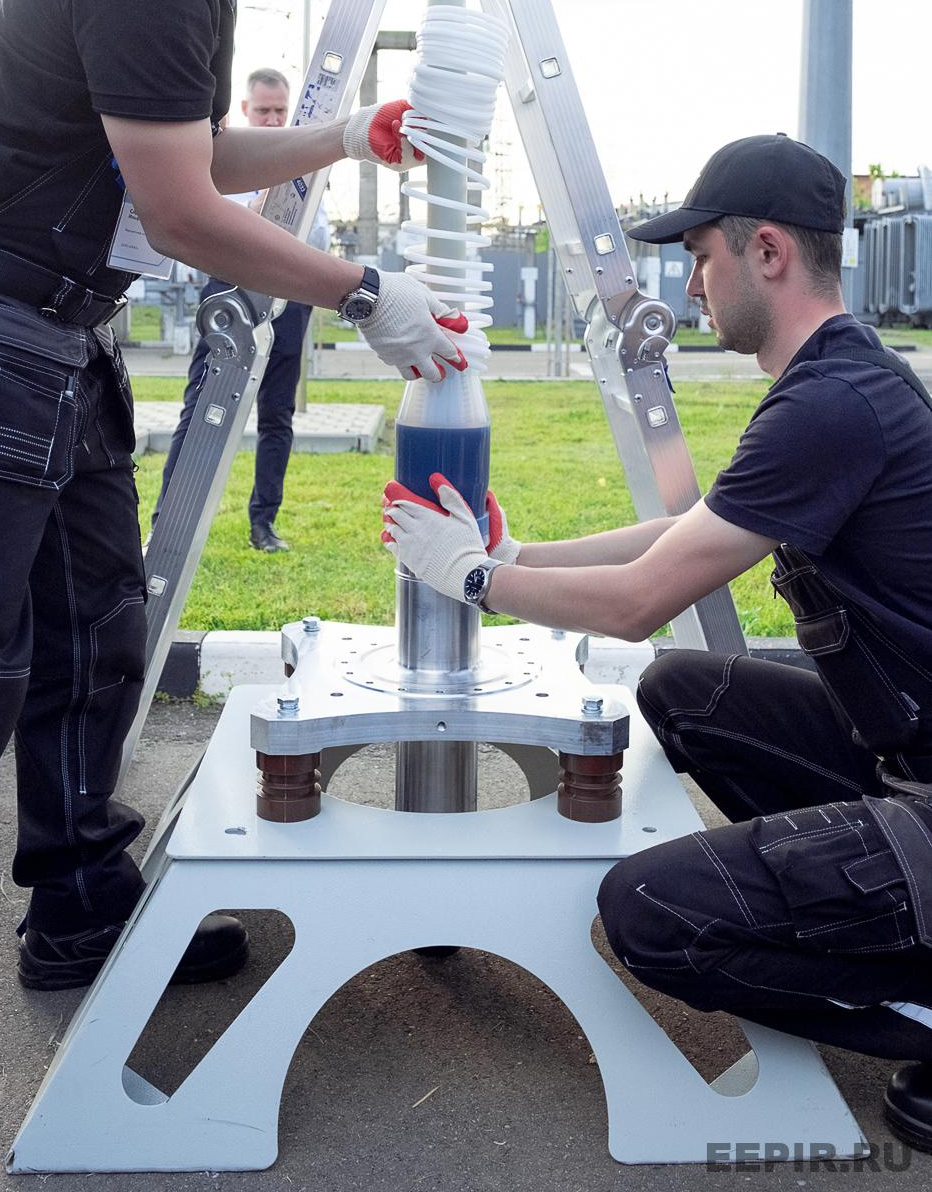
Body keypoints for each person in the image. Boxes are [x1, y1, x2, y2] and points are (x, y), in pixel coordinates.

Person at [0, 0, 470, 1130]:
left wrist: (344, 139)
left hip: (48, 342)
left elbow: (186, 154)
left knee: (93, 640)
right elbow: (186, 214)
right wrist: (360, 290)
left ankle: (79, 906)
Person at [383, 133, 932, 1154]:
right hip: (903, 755)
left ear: (765, 251)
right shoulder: (836, 378)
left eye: (700, 257)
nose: (689, 287)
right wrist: (517, 552)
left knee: (647, 913)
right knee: (686, 690)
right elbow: (687, 535)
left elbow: (642, 599)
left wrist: (473, 578)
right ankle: (865, 906)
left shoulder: (832, 403)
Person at [155, 67, 330, 552]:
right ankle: (166, 522)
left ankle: (263, 525)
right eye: (265, 111)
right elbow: (204, 229)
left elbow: (319, 237)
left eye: (280, 111)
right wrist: (256, 217)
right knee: (200, 409)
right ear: (247, 110)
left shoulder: (305, 168)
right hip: (231, 294)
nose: (273, 120)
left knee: (277, 414)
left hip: (290, 298)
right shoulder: (220, 163)